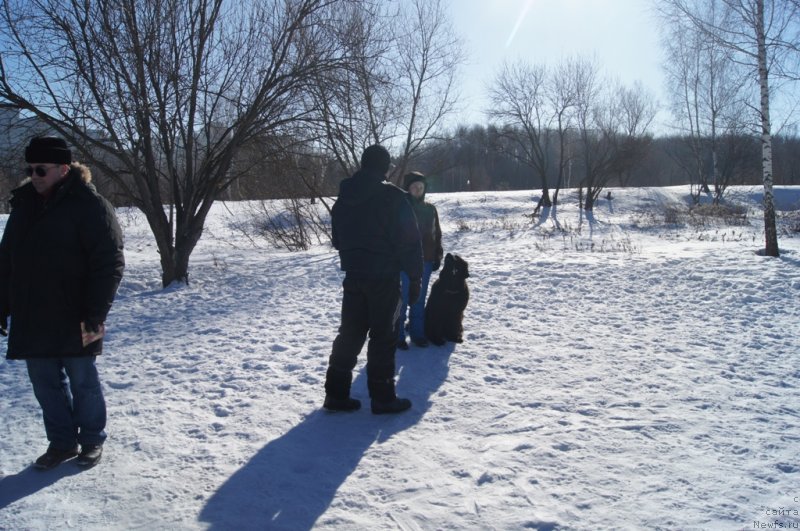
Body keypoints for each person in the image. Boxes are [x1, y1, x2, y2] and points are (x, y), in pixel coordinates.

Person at [0, 137, 125, 469]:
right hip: (32, 316)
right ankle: (61, 443)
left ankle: (92, 441)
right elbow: (6, 260)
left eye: (40, 169)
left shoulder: (90, 205)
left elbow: (109, 262)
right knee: (45, 384)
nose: (34, 175)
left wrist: (95, 313)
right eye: (29, 169)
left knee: (83, 379)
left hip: (79, 314)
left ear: (63, 169)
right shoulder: (25, 204)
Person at [324, 145, 423, 414]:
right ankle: (382, 398)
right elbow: (410, 244)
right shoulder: (393, 197)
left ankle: (336, 394)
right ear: (385, 167)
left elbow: (337, 241)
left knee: (350, 334)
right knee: (384, 336)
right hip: (384, 279)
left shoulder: (342, 199)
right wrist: (415, 280)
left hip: (354, 276)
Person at [396, 171, 443, 350]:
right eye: (414, 187)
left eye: (421, 187)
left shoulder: (430, 209)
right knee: (402, 299)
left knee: (419, 300)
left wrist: (437, 255)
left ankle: (417, 333)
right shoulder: (401, 207)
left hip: (426, 261)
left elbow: (437, 234)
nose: (417, 190)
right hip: (405, 262)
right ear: (407, 188)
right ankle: (397, 335)